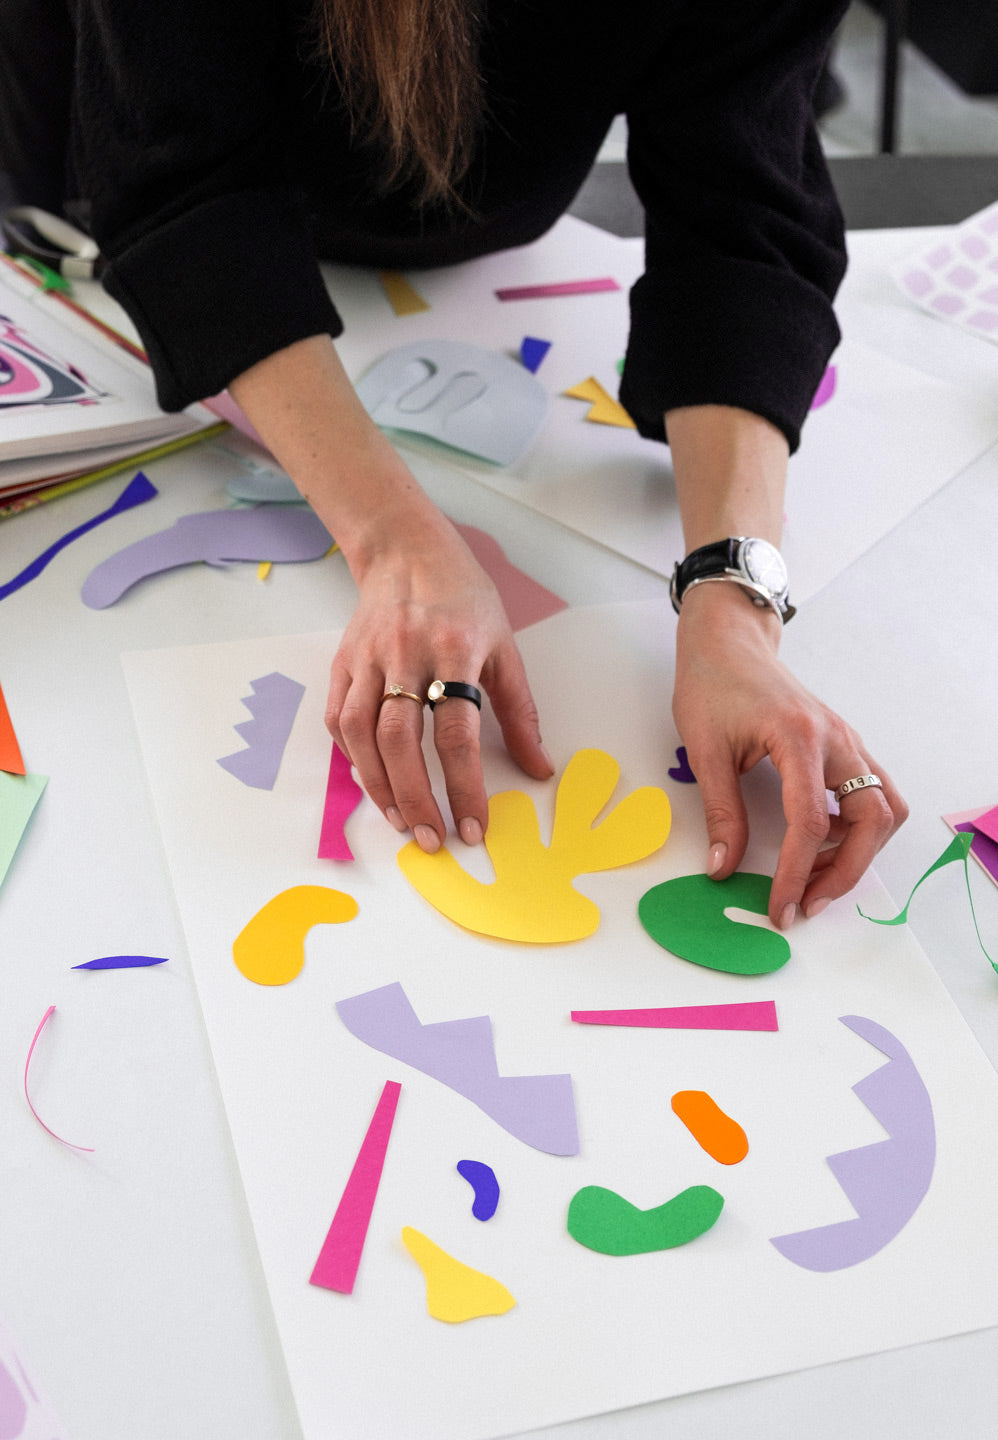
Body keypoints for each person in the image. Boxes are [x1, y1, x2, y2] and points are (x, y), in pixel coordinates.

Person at [1, 0, 906, 926]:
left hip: (486, 248)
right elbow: (183, 188)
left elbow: (741, 209)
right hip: (126, 169)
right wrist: (394, 538)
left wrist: (734, 605)